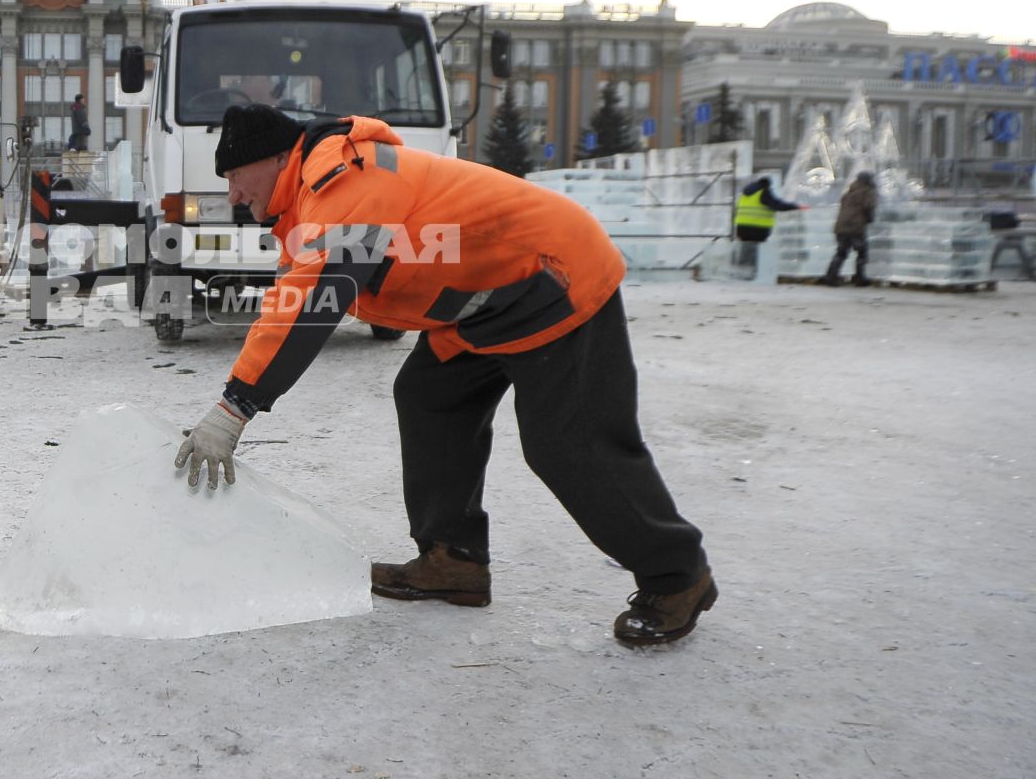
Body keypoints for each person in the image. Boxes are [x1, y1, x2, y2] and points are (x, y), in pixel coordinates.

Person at [172, 105, 716, 647]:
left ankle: (677, 577)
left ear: (272, 159)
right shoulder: (321, 189)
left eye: (236, 178)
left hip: (555, 278)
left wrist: (235, 407)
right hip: (486, 301)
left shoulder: (344, 184)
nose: (235, 196)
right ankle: (452, 559)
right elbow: (299, 289)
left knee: (568, 443)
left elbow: (311, 303)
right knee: (430, 395)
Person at [732, 174, 805, 270]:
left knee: (745, 250)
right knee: (754, 251)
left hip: (741, 227)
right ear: (767, 184)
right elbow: (777, 205)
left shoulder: (744, 194)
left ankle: (741, 270)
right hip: (758, 227)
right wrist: (796, 206)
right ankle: (750, 272)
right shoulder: (764, 192)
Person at [823, 171, 878, 287]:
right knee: (862, 253)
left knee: (841, 253)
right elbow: (869, 207)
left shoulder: (848, 193)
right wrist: (870, 220)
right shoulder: (868, 192)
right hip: (856, 227)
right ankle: (859, 278)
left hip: (841, 227)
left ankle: (831, 277)